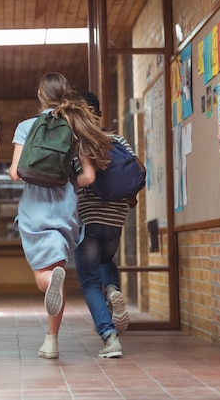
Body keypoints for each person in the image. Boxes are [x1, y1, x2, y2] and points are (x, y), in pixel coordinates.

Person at [8, 72, 108, 359]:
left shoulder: (26, 126)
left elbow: (16, 173)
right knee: (56, 269)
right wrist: (64, 180)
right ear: (67, 93)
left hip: (34, 209)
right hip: (64, 209)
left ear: (40, 94)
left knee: (44, 273)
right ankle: (51, 340)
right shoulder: (76, 124)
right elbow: (88, 176)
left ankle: (51, 282)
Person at [74, 91, 132, 359]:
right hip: (115, 219)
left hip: (88, 219)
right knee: (107, 262)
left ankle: (110, 337)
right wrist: (130, 198)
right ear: (98, 112)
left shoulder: (78, 144)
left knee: (88, 282)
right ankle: (113, 290)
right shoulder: (117, 139)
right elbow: (138, 169)